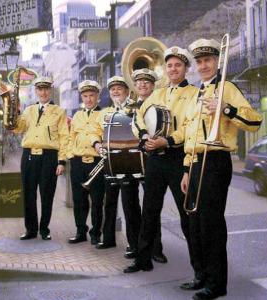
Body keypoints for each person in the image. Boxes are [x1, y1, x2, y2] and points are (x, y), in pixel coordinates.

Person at [176, 38, 263, 300]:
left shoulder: (227, 87)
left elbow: (254, 121)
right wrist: (186, 168)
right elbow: (191, 135)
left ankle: (216, 283)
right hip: (195, 162)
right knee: (194, 223)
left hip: (216, 160)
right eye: (199, 62)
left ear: (216, 62)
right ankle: (200, 275)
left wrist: (224, 108)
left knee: (211, 224)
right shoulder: (194, 94)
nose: (203, 65)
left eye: (208, 60)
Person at [124, 46, 198, 273]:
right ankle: (143, 259)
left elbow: (190, 126)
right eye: (170, 65)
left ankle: (199, 269)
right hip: (155, 158)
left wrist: (169, 141)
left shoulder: (195, 94)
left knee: (187, 215)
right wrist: (145, 136)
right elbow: (139, 116)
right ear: (166, 69)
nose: (173, 69)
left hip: (177, 158)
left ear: (185, 68)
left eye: (178, 65)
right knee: (149, 212)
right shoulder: (158, 93)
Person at [14, 76, 69, 241]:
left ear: (50, 90)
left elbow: (64, 137)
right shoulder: (28, 110)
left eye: (46, 89)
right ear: (36, 91)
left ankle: (44, 229)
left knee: (47, 194)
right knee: (28, 194)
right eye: (40, 89)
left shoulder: (59, 111)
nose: (43, 92)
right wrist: (14, 112)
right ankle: (31, 230)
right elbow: (18, 129)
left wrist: (61, 161)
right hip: (29, 155)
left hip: (49, 157)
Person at [95, 76, 141, 259]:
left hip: (129, 164)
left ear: (127, 92)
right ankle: (108, 238)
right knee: (109, 203)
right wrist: (97, 144)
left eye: (119, 89)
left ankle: (134, 243)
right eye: (112, 89)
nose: (115, 92)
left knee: (130, 205)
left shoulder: (135, 110)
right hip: (110, 164)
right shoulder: (104, 112)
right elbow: (95, 132)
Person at [131, 68, 167, 263]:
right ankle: (135, 245)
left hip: (152, 160)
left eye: (147, 82)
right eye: (139, 82)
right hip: (131, 162)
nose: (142, 85)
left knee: (152, 207)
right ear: (135, 86)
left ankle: (156, 249)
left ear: (153, 86)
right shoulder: (128, 107)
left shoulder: (160, 103)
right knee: (132, 207)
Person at [67, 80, 105, 245]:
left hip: (96, 162)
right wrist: (70, 155)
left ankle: (96, 233)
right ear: (82, 97)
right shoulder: (77, 115)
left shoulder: (104, 114)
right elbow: (71, 137)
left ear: (97, 96)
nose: (88, 99)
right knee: (78, 200)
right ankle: (80, 231)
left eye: (91, 95)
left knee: (97, 200)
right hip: (78, 162)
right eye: (85, 96)